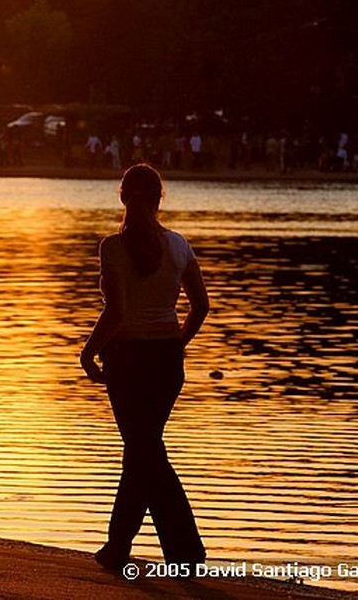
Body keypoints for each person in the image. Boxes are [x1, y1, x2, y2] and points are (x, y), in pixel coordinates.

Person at [79, 163, 209, 574]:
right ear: (159, 199)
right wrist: (176, 343)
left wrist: (88, 352)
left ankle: (184, 551)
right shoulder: (180, 245)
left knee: (142, 451)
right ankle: (120, 547)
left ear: (122, 197)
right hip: (166, 362)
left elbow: (115, 311)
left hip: (128, 362)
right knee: (143, 451)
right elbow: (201, 306)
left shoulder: (111, 247)